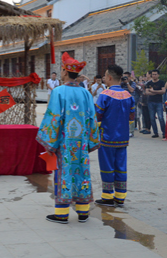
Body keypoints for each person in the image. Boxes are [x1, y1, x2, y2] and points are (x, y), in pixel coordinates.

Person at [36, 52, 99, 224]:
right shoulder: (86, 93)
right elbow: (92, 117)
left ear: (64, 72)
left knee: (64, 174)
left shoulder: (58, 92)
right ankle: (83, 212)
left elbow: (53, 117)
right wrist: (91, 140)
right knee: (82, 172)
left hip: (64, 143)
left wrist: (50, 143)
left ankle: (62, 214)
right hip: (81, 142)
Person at [95, 65, 135, 208]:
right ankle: (120, 196)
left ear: (110, 77)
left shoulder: (105, 95)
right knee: (121, 166)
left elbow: (97, 116)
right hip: (123, 138)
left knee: (107, 166)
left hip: (107, 137)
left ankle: (107, 196)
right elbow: (131, 117)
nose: (104, 78)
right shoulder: (128, 95)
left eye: (105, 76)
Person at [145, 69, 166, 138]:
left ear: (158, 75)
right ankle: (155, 132)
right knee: (152, 118)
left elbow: (163, 91)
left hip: (159, 102)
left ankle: (164, 132)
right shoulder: (149, 83)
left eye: (155, 74)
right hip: (150, 102)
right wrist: (156, 92)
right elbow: (147, 92)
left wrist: (153, 91)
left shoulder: (161, 82)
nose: (154, 76)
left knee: (160, 117)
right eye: (153, 74)